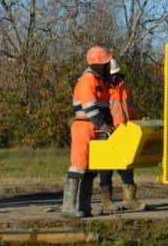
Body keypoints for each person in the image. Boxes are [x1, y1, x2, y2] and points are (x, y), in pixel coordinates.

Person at [61, 45, 114, 217]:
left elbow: (105, 109)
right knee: (78, 166)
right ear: (98, 64)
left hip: (96, 129)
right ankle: (69, 207)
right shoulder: (88, 80)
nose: (109, 66)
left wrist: (107, 126)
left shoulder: (101, 82)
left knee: (91, 169)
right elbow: (90, 107)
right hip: (84, 126)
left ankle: (84, 206)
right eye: (106, 63)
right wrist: (104, 126)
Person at [99, 58, 144, 212]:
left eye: (115, 73)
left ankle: (130, 199)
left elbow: (130, 107)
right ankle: (106, 201)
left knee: (126, 165)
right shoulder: (101, 87)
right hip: (107, 132)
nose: (114, 76)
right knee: (105, 167)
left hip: (124, 131)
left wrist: (137, 123)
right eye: (112, 73)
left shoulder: (123, 87)